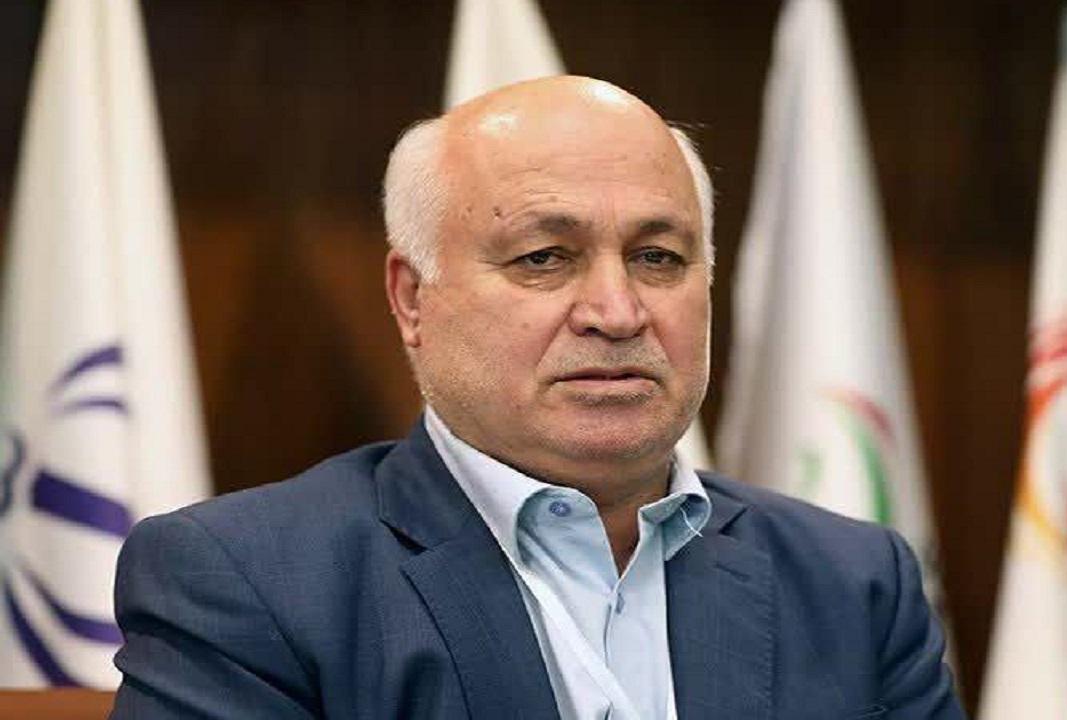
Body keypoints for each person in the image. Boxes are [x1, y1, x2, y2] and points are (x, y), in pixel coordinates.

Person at [110, 76, 964, 719]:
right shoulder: (249, 582)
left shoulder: (854, 583)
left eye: (658, 257)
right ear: (412, 299)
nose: (617, 312)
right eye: (543, 258)